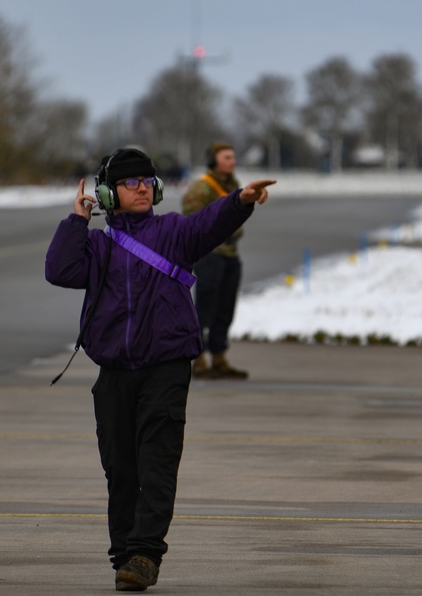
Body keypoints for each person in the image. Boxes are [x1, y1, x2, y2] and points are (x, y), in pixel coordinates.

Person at [45, 147, 274, 591]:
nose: (142, 189)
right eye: (131, 183)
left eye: (148, 182)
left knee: (157, 462)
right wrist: (77, 221)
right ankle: (123, 555)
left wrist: (240, 200)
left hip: (166, 365)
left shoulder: (173, 232)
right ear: (109, 194)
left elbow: (208, 224)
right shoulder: (94, 245)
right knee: (121, 468)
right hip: (113, 371)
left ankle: (146, 554)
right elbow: (59, 270)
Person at [182, 142, 249, 379]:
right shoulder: (202, 187)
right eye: (226, 157)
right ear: (214, 161)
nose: (232, 161)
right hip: (211, 254)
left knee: (226, 307)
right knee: (205, 307)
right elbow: (192, 220)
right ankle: (198, 359)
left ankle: (219, 356)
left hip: (231, 253)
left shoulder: (232, 185)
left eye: (232, 157)